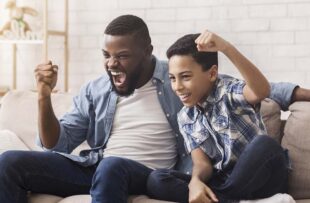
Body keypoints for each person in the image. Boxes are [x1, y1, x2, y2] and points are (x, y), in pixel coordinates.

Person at [0, 14, 307, 203]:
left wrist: (298, 91)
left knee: (116, 166)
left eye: (122, 56)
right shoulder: (97, 89)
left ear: (147, 52)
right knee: (9, 162)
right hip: (100, 167)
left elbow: (255, 89)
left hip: (141, 171)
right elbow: (56, 144)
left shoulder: (181, 81)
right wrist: (43, 96)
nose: (111, 63)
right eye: (106, 55)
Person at [146, 32, 293, 203]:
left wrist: (226, 48)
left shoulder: (229, 91)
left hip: (263, 179)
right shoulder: (185, 117)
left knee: (265, 144)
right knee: (157, 179)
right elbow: (202, 164)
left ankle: (228, 198)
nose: (177, 87)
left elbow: (262, 91)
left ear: (212, 74)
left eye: (185, 77)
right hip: (226, 181)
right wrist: (195, 181)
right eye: (172, 78)